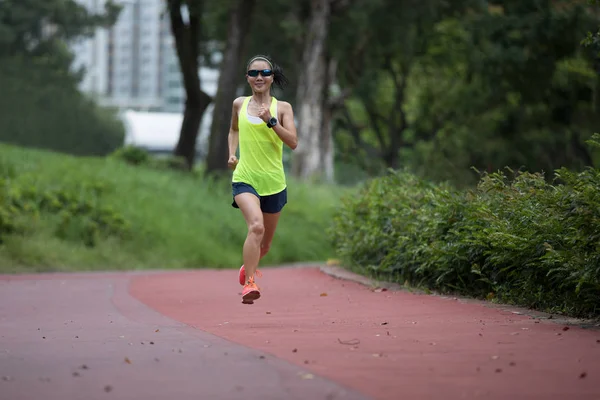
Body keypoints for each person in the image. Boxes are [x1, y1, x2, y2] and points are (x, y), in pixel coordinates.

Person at [227, 55, 298, 304]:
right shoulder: (239, 104)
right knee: (255, 226)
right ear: (247, 78)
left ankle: (248, 267)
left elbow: (292, 142)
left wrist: (271, 121)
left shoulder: (283, 108)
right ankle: (250, 284)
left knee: (265, 245)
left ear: (271, 77)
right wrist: (232, 154)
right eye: (254, 73)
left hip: (274, 183)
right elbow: (234, 129)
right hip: (245, 178)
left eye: (265, 73)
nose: (259, 77)